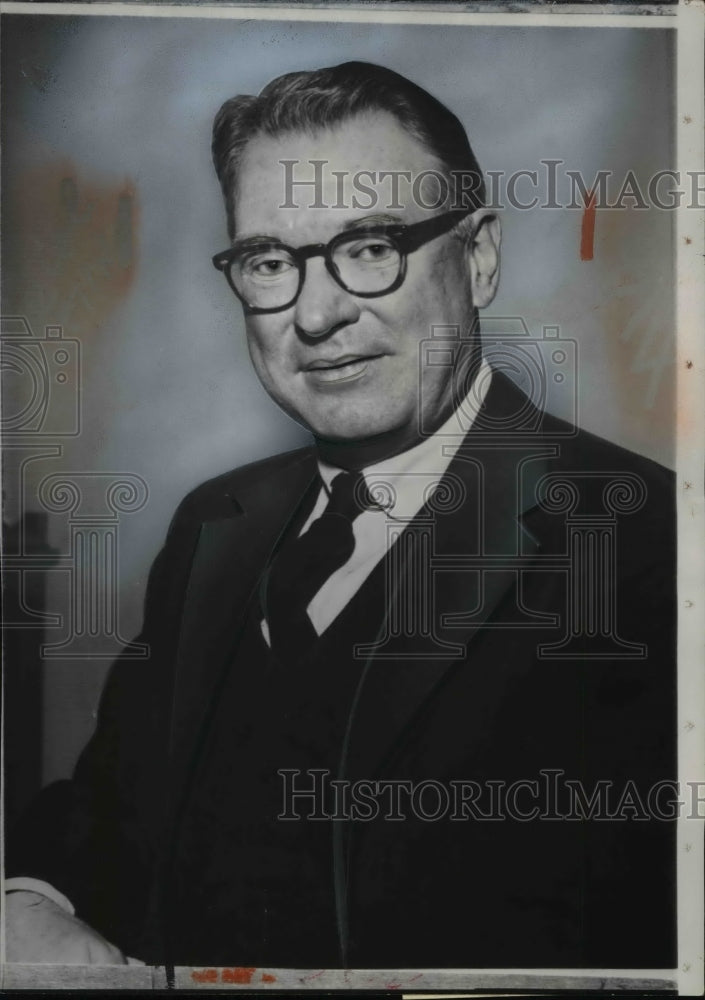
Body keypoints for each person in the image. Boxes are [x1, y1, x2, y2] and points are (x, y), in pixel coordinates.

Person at [6, 61, 676, 970]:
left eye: (369, 247)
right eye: (270, 262)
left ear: (476, 258)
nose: (316, 314)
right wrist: (30, 903)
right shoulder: (218, 523)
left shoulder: (650, 548)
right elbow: (110, 816)